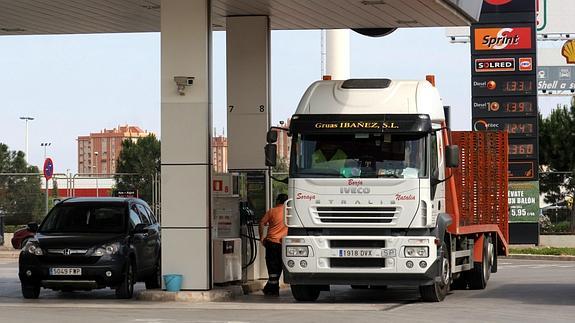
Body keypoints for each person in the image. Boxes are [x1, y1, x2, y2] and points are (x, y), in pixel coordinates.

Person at [259, 193, 289, 296]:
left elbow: (262, 222)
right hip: (283, 243)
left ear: (277, 201)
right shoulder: (290, 212)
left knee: (272, 266)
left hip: (271, 242)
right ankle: (271, 288)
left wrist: (261, 237)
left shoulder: (272, 211)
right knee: (279, 266)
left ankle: (272, 288)